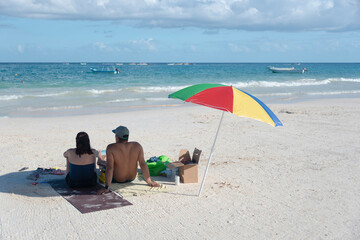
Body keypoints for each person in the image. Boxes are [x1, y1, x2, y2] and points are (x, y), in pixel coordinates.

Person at [97, 126, 160, 194]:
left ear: (116, 137)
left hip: (117, 179)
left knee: (102, 164)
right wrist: (149, 181)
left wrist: (107, 187)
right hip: (131, 178)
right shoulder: (137, 145)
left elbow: (110, 167)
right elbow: (143, 164)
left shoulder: (111, 147)